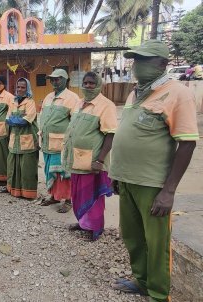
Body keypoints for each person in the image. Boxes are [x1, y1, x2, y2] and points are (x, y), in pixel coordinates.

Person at [109, 40, 199, 301]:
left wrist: (168, 191)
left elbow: (187, 143)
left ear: (162, 64)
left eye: (143, 60)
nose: (137, 65)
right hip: (127, 180)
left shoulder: (177, 93)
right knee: (133, 236)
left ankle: (159, 294)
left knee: (157, 243)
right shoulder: (135, 93)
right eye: (135, 60)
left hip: (153, 185)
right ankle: (141, 280)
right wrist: (117, 174)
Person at [62, 72, 117, 241]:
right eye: (85, 83)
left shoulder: (106, 105)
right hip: (77, 159)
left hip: (92, 161)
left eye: (91, 83)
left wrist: (99, 160)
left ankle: (94, 229)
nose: (87, 86)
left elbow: (110, 135)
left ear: (98, 84)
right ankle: (83, 223)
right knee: (78, 194)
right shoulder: (79, 103)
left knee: (92, 196)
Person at [39, 69, 80, 213]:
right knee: (49, 170)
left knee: (63, 172)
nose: (54, 82)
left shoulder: (72, 98)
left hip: (61, 144)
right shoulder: (49, 97)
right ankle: (54, 196)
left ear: (65, 80)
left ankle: (68, 200)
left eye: (57, 79)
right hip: (46, 142)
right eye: (52, 79)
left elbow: (75, 122)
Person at [2, 77, 39, 199]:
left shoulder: (30, 102)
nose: (20, 89)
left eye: (23, 87)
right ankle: (12, 189)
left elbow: (26, 121)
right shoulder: (13, 101)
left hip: (27, 140)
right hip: (14, 140)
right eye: (18, 87)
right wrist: (17, 119)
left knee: (26, 167)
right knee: (13, 165)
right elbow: (7, 119)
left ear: (27, 88)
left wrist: (15, 120)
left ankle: (28, 193)